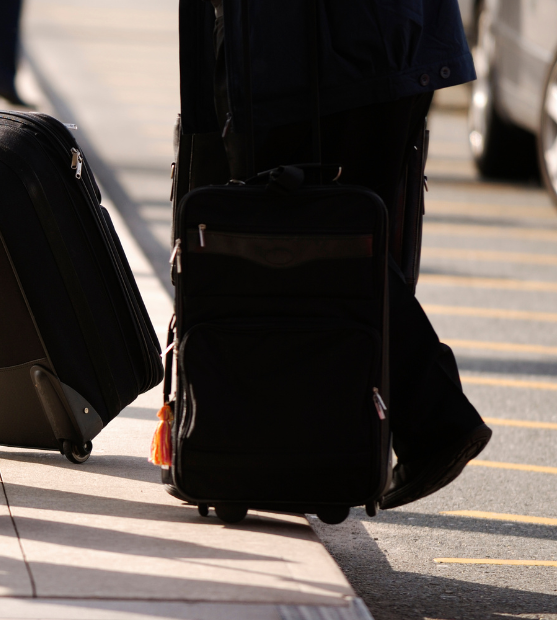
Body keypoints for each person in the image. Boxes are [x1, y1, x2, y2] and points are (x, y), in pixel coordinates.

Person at [180, 0, 492, 509]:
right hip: (393, 38)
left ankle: (432, 423)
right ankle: (344, 444)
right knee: (341, 240)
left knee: (302, 235)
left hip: (306, 51)